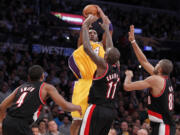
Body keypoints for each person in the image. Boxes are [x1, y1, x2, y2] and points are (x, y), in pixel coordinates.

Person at [68, 5, 113, 135]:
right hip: (83, 83)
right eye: (90, 32)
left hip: (98, 83)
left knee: (94, 120)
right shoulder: (83, 45)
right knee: (77, 120)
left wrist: (100, 11)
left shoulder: (102, 46)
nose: (92, 33)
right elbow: (84, 31)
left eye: (94, 33)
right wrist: (87, 22)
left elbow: (109, 29)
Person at [123, 25, 176, 135]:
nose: (155, 64)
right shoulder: (162, 79)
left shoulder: (156, 80)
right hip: (161, 124)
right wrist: (133, 41)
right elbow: (144, 61)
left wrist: (128, 75)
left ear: (160, 69)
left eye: (157, 64)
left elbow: (127, 87)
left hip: (163, 126)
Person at [0, 65, 81, 135]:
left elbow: (2, 106)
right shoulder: (46, 87)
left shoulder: (19, 88)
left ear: (28, 77)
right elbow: (65, 106)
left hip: (8, 121)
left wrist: (1, 123)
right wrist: (78, 107)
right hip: (21, 124)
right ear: (42, 76)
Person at [79, 14, 120, 135]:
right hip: (111, 112)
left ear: (106, 56)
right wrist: (107, 30)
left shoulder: (103, 65)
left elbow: (87, 48)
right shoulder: (117, 66)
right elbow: (111, 48)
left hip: (97, 108)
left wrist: (85, 26)